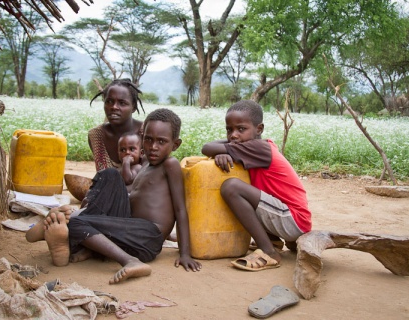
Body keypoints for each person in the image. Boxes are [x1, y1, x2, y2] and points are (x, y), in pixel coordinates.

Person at [35, 108, 202, 284]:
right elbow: (132, 195)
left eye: (161, 142)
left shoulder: (170, 164)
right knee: (110, 175)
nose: (153, 147)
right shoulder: (145, 165)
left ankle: (129, 261)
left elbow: (180, 209)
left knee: (78, 222)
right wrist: (98, 202)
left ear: (175, 145)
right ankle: (67, 227)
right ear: (141, 137)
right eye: (148, 140)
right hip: (129, 227)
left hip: (147, 237)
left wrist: (185, 253)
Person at [201, 100, 312, 272]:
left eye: (241, 129)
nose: (233, 135)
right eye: (229, 130)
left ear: (259, 129)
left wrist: (223, 149)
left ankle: (269, 252)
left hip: (293, 220)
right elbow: (213, 148)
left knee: (231, 187)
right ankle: (272, 241)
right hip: (286, 217)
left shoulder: (259, 148)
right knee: (249, 191)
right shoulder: (254, 145)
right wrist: (224, 150)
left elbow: (206, 147)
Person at [88, 79, 144, 172]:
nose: (114, 107)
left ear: (133, 107)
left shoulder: (146, 132)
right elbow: (103, 176)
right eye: (109, 101)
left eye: (122, 103)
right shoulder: (96, 136)